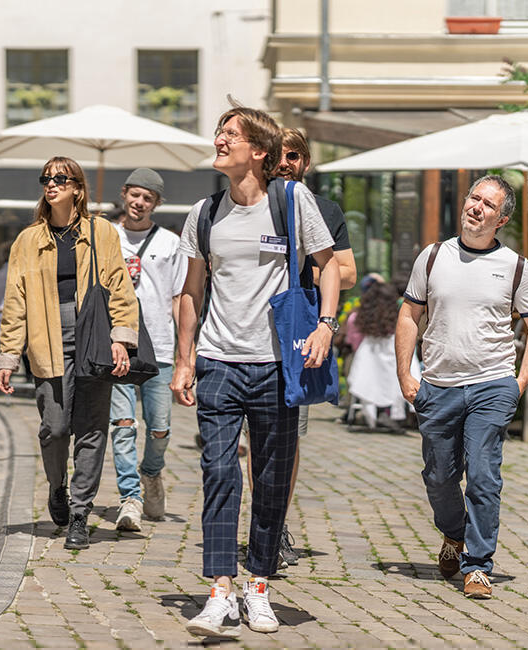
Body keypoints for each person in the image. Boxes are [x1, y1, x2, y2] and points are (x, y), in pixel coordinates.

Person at [171, 104, 340, 637]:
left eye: (230, 134)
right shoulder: (202, 213)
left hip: (276, 365)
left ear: (259, 151)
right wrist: (184, 359)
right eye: (219, 132)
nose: (219, 140)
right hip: (219, 360)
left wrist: (326, 325)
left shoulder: (291, 201)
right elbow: (190, 290)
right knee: (219, 473)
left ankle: (259, 585)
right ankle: (220, 589)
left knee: (269, 481)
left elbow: (329, 263)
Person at [395, 174, 528, 599]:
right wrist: (406, 374)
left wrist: (518, 382)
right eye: (473, 198)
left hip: (492, 384)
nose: (475, 207)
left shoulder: (516, 266)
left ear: (501, 219)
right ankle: (453, 534)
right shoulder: (432, 257)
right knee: (439, 477)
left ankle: (478, 565)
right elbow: (409, 316)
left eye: (487, 204)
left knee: (483, 475)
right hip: (439, 384)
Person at [0, 156, 138, 550]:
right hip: (46, 341)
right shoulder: (27, 240)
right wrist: (9, 355)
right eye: (46, 178)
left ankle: (80, 512)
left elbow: (120, 287)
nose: (51, 183)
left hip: (94, 338)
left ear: (77, 187)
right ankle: (56, 486)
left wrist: (121, 338)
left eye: (60, 178)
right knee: (55, 428)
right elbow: (15, 300)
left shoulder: (102, 232)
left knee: (92, 430)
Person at [269, 127, 357, 569]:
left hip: (300, 324)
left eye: (294, 156)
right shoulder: (254, 203)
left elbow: (348, 271)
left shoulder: (325, 209)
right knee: (254, 439)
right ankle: (264, 522)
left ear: (305, 162)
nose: (285, 162)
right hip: (254, 329)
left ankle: (276, 522)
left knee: (289, 435)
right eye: (278, 155)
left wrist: (312, 281)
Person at [108, 168, 187, 531]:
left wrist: (188, 352)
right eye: (135, 195)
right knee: (123, 424)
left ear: (156, 203)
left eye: (148, 198)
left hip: (161, 347)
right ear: (124, 194)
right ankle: (130, 497)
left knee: (159, 428)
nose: (140, 203)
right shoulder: (107, 237)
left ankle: (151, 472)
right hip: (118, 344)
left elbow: (177, 299)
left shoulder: (171, 243)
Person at [347, 282, 416, 429]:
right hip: (392, 373)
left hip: (366, 369)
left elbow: (352, 343)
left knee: (359, 363)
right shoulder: (398, 323)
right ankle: (389, 413)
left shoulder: (356, 319)